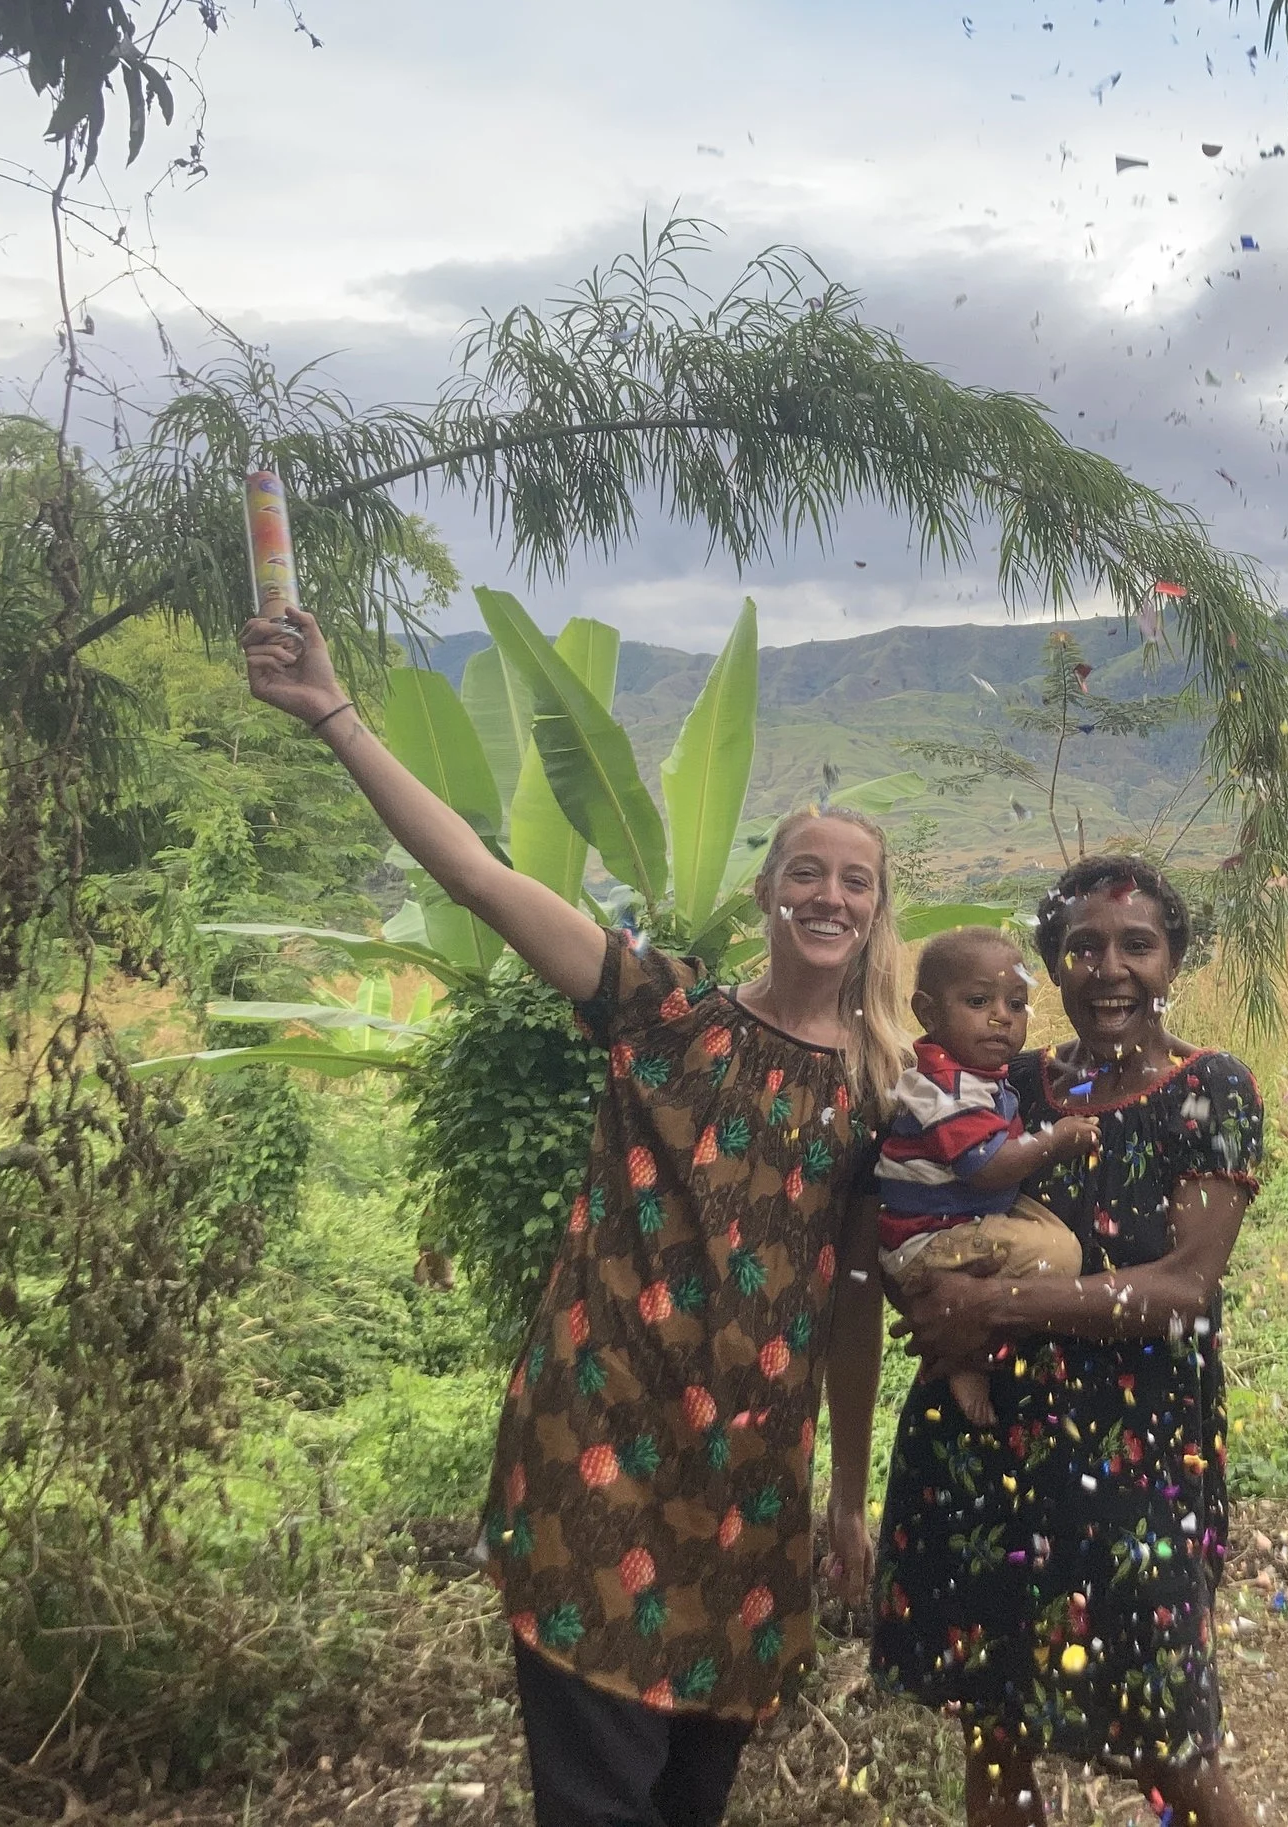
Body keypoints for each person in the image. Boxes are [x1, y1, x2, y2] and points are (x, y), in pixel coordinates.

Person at [242, 608, 901, 1827]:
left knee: (693, 1789)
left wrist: (848, 1497)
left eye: (852, 881)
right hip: (601, 1435)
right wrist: (334, 716)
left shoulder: (878, 1091)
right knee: (599, 1792)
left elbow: (855, 1301)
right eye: (804, 871)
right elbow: (482, 876)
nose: (826, 894)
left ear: (874, 910)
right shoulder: (661, 1010)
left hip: (751, 1482)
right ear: (764, 890)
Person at [870, 857, 1265, 1827]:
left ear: (1173, 959)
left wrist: (991, 1310)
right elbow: (909, 1179)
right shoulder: (1012, 1085)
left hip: (1134, 1465)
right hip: (985, 1448)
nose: (1109, 967)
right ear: (1052, 967)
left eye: (1137, 944)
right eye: (1082, 946)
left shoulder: (1208, 1090)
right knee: (996, 1732)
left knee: (1170, 1744)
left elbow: (1181, 1290)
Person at [875, 927, 1098, 1427]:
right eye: (979, 1001)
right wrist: (1055, 1141)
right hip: (929, 1241)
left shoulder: (972, 1073)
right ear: (928, 1014)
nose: (1002, 1016)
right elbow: (986, 1167)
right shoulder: (945, 1087)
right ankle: (963, 1357)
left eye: (1016, 1004)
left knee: (1051, 1238)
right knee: (1058, 1257)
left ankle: (972, 1339)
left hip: (960, 1216)